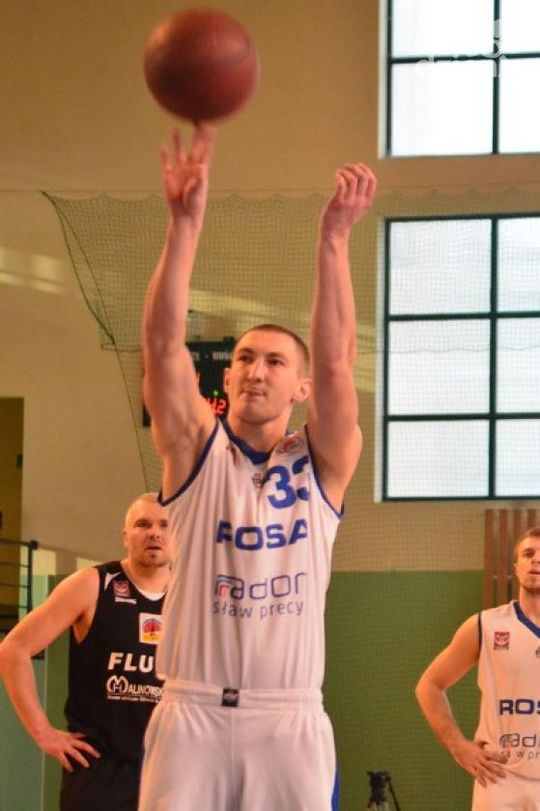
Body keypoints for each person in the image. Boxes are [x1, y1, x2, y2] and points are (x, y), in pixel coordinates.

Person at [139, 123, 377, 811]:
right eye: (244, 357)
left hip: (288, 713)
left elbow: (337, 361)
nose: (256, 369)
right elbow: (162, 344)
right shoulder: (195, 448)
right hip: (190, 711)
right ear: (227, 376)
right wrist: (184, 225)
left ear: (299, 386)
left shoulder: (323, 461)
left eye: (275, 361)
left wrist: (334, 239)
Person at [0, 492, 171, 811]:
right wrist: (43, 733)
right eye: (143, 524)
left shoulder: (191, 595)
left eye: (164, 525)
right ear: (125, 536)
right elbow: (13, 650)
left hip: (170, 769)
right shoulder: (92, 584)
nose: (154, 533)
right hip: (100, 769)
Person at [415, 527, 540, 810]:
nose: (536, 560)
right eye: (528, 554)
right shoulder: (485, 625)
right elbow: (429, 685)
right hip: (500, 776)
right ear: (516, 567)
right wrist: (458, 746)